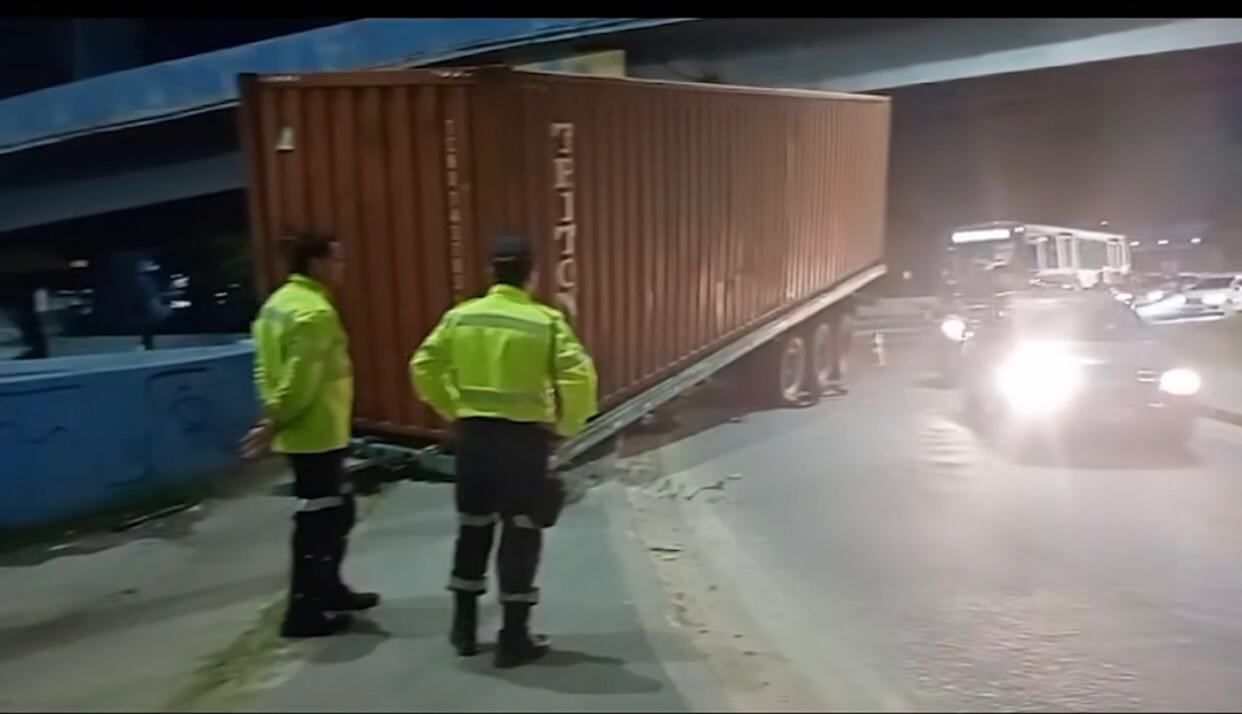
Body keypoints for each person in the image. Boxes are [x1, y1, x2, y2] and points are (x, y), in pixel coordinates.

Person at [410, 233, 598, 669]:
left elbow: (423, 366)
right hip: (525, 442)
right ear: (532, 274)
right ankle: (514, 638)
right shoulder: (545, 321)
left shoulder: (461, 318)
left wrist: (454, 407)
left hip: (474, 438)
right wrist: (566, 427)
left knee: (473, 527)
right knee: (521, 531)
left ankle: (463, 630)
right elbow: (580, 379)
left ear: (491, 271)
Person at [241, 233, 380, 638]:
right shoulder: (314, 312)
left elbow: (265, 370)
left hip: (308, 431)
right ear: (316, 263)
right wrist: (274, 422)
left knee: (334, 511)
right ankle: (303, 613)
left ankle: (329, 590)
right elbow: (300, 381)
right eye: (337, 259)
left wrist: (271, 415)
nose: (343, 267)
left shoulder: (275, 306)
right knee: (319, 522)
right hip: (317, 431)